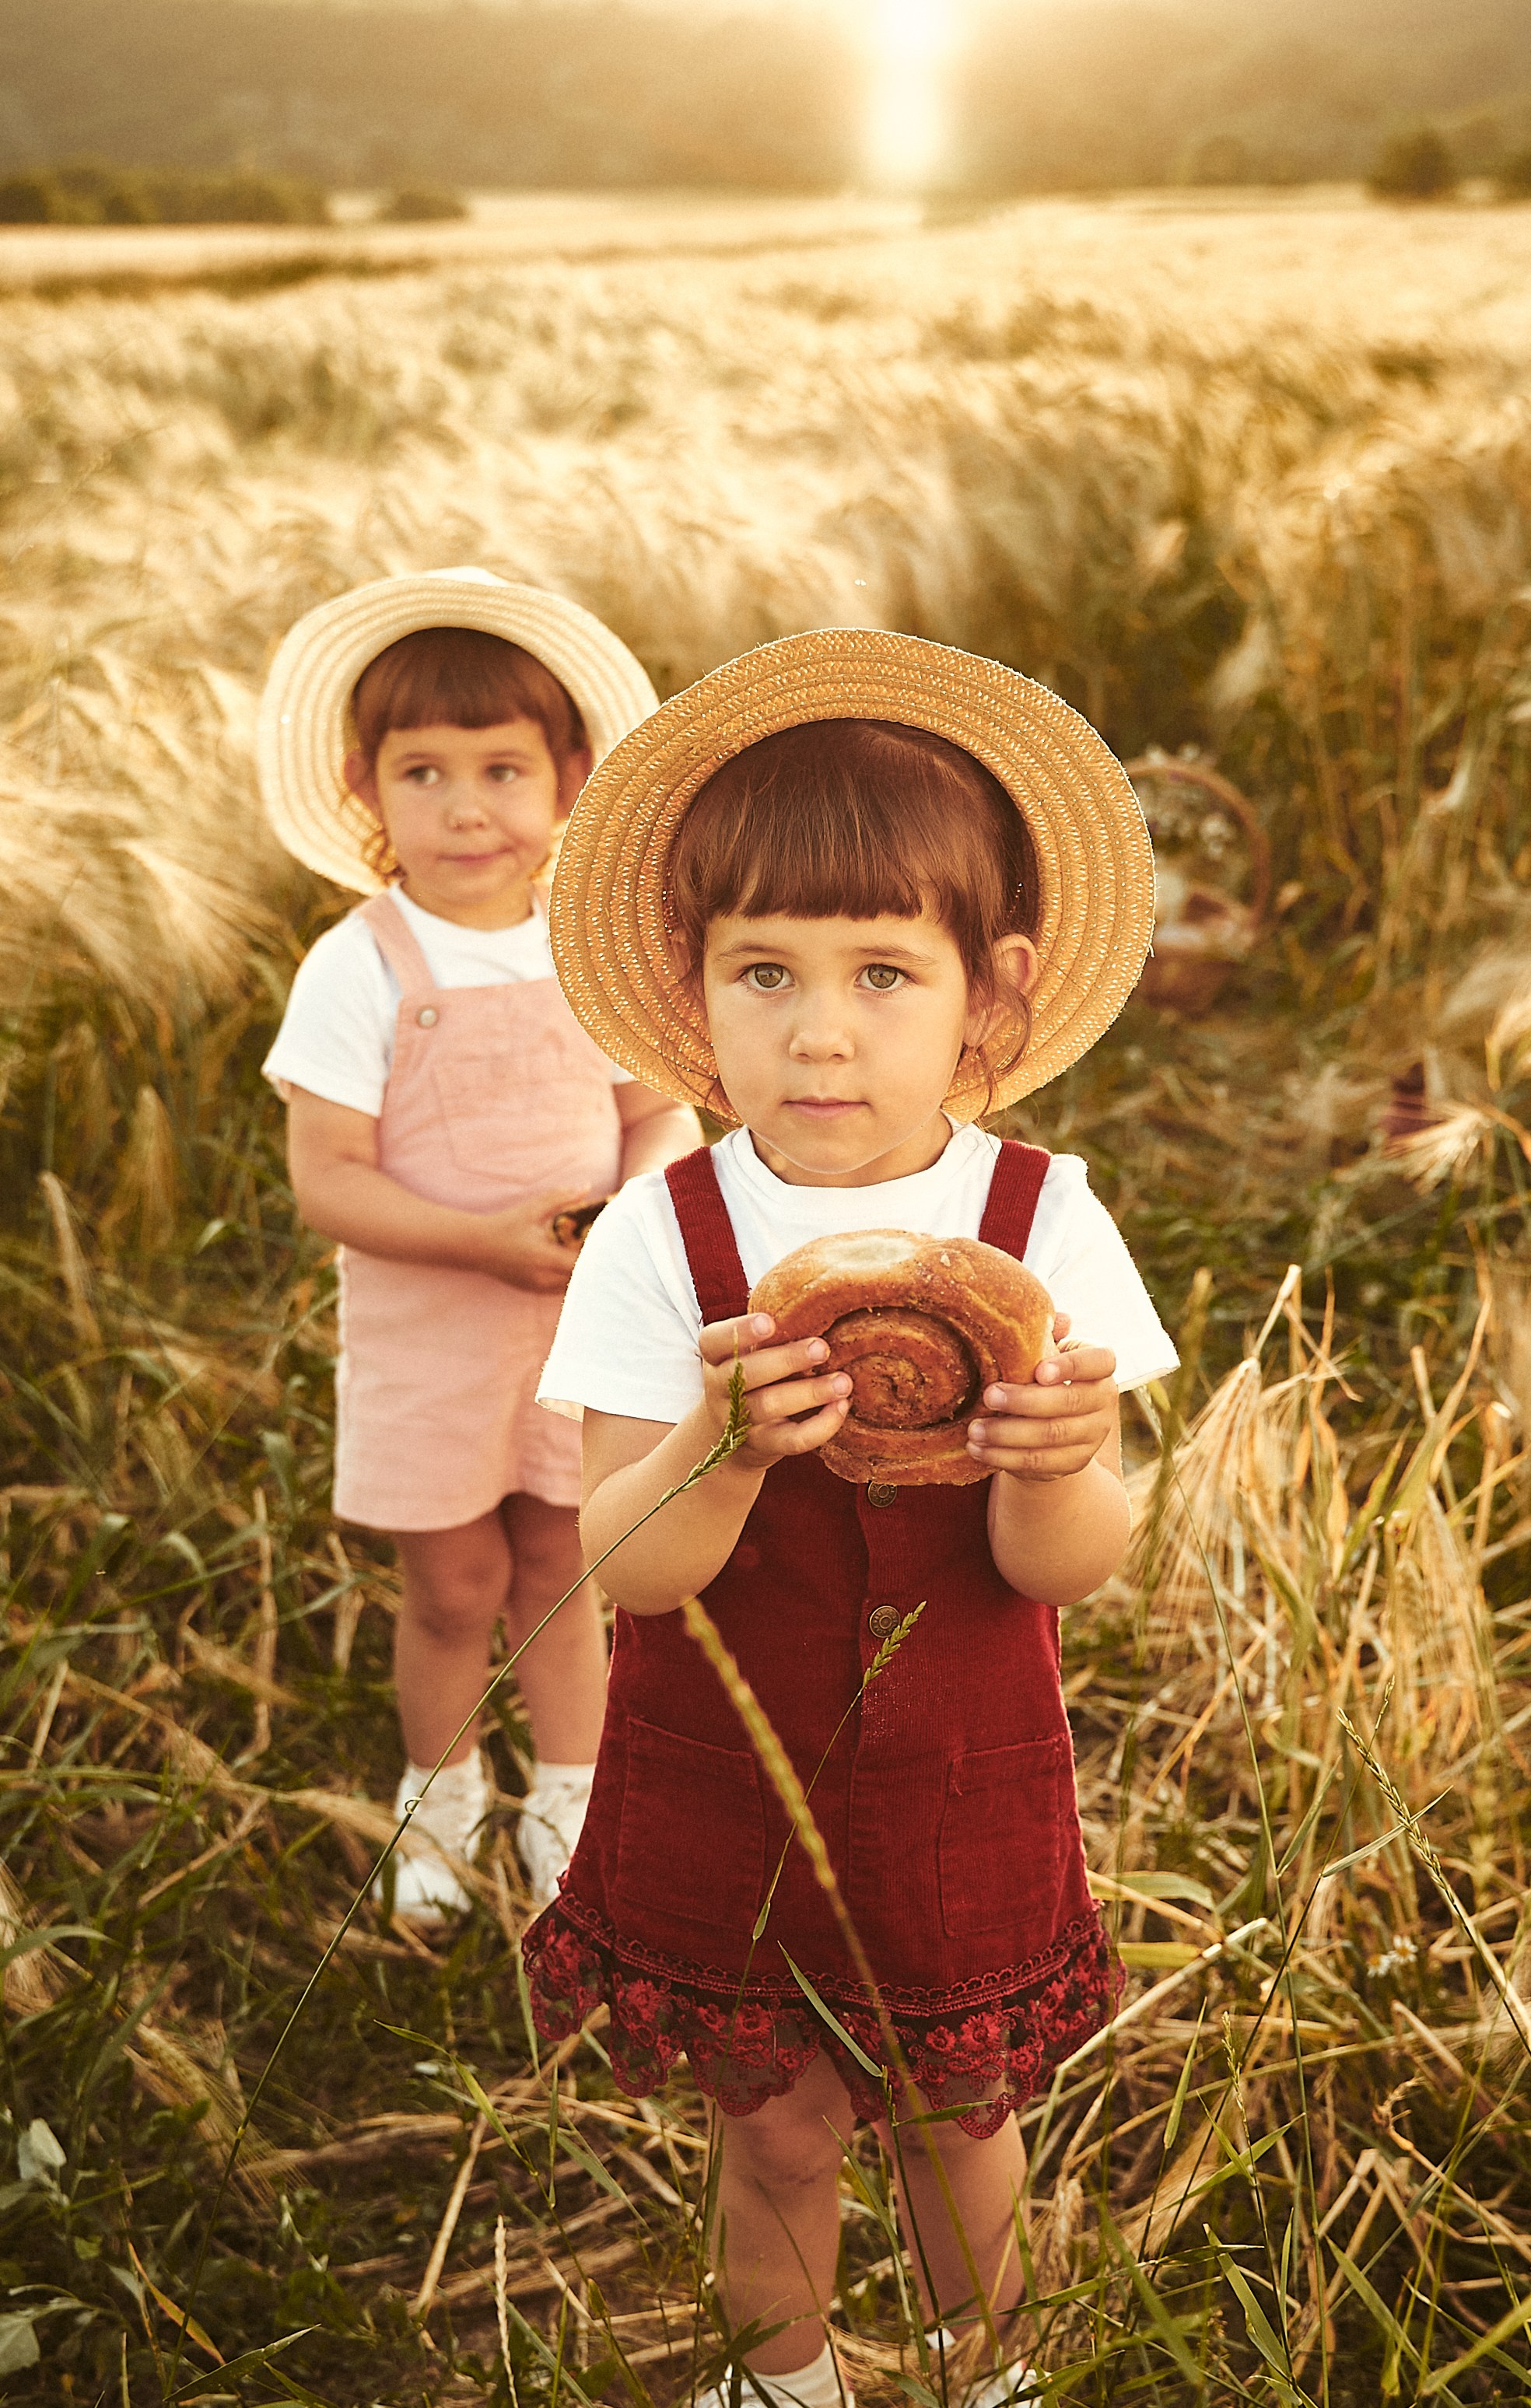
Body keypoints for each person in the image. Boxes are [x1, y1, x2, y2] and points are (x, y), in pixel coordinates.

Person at [522, 630, 1180, 2408]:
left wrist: (1055, 1461)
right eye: (768, 973)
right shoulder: (666, 1236)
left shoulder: (1044, 1223)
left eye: (886, 971)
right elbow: (622, 1569)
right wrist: (726, 1446)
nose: (822, 1030)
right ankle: (782, 2380)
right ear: (694, 985)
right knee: (783, 2131)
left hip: (958, 1767)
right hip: (734, 1764)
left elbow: (1071, 1570)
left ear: (993, 992)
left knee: (959, 2123)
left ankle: (990, 2374)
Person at [256, 569, 699, 1919]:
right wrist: (477, 1241)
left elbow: (658, 1110)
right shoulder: (362, 964)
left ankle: (571, 1798)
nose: (464, 808)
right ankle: (437, 1798)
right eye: (424, 773)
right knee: (454, 1583)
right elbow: (326, 1181)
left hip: (580, 1314)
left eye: (502, 769)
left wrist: (634, 1207)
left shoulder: (593, 950)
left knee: (566, 1564)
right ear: (363, 787)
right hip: (435, 1326)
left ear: (569, 780)